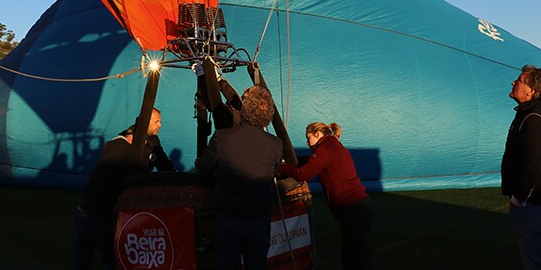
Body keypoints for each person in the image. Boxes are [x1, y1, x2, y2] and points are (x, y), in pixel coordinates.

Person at [70, 109, 174, 270]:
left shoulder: (151, 142)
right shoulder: (123, 149)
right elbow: (141, 177)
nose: (160, 125)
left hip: (88, 211)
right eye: (156, 121)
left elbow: (163, 164)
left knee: (84, 257)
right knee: (112, 258)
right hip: (96, 214)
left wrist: (173, 176)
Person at [195, 85, 283, 270]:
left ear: (244, 110)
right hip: (259, 218)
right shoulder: (275, 144)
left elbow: (203, 169)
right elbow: (272, 173)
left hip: (229, 217)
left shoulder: (223, 137)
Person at [279, 122, 371, 269]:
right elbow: (311, 162)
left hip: (352, 208)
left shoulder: (325, 149)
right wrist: (293, 160)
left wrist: (281, 167)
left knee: (353, 256)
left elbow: (302, 174)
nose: (307, 142)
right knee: (355, 253)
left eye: (308, 138)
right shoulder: (333, 145)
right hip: (359, 205)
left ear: (317, 134)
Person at [502, 65, 541, 270]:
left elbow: (532, 163)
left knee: (538, 263)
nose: (513, 82)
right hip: (536, 204)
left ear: (531, 91)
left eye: (519, 80)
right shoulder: (532, 115)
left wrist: (519, 198)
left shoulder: (534, 118)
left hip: (534, 205)